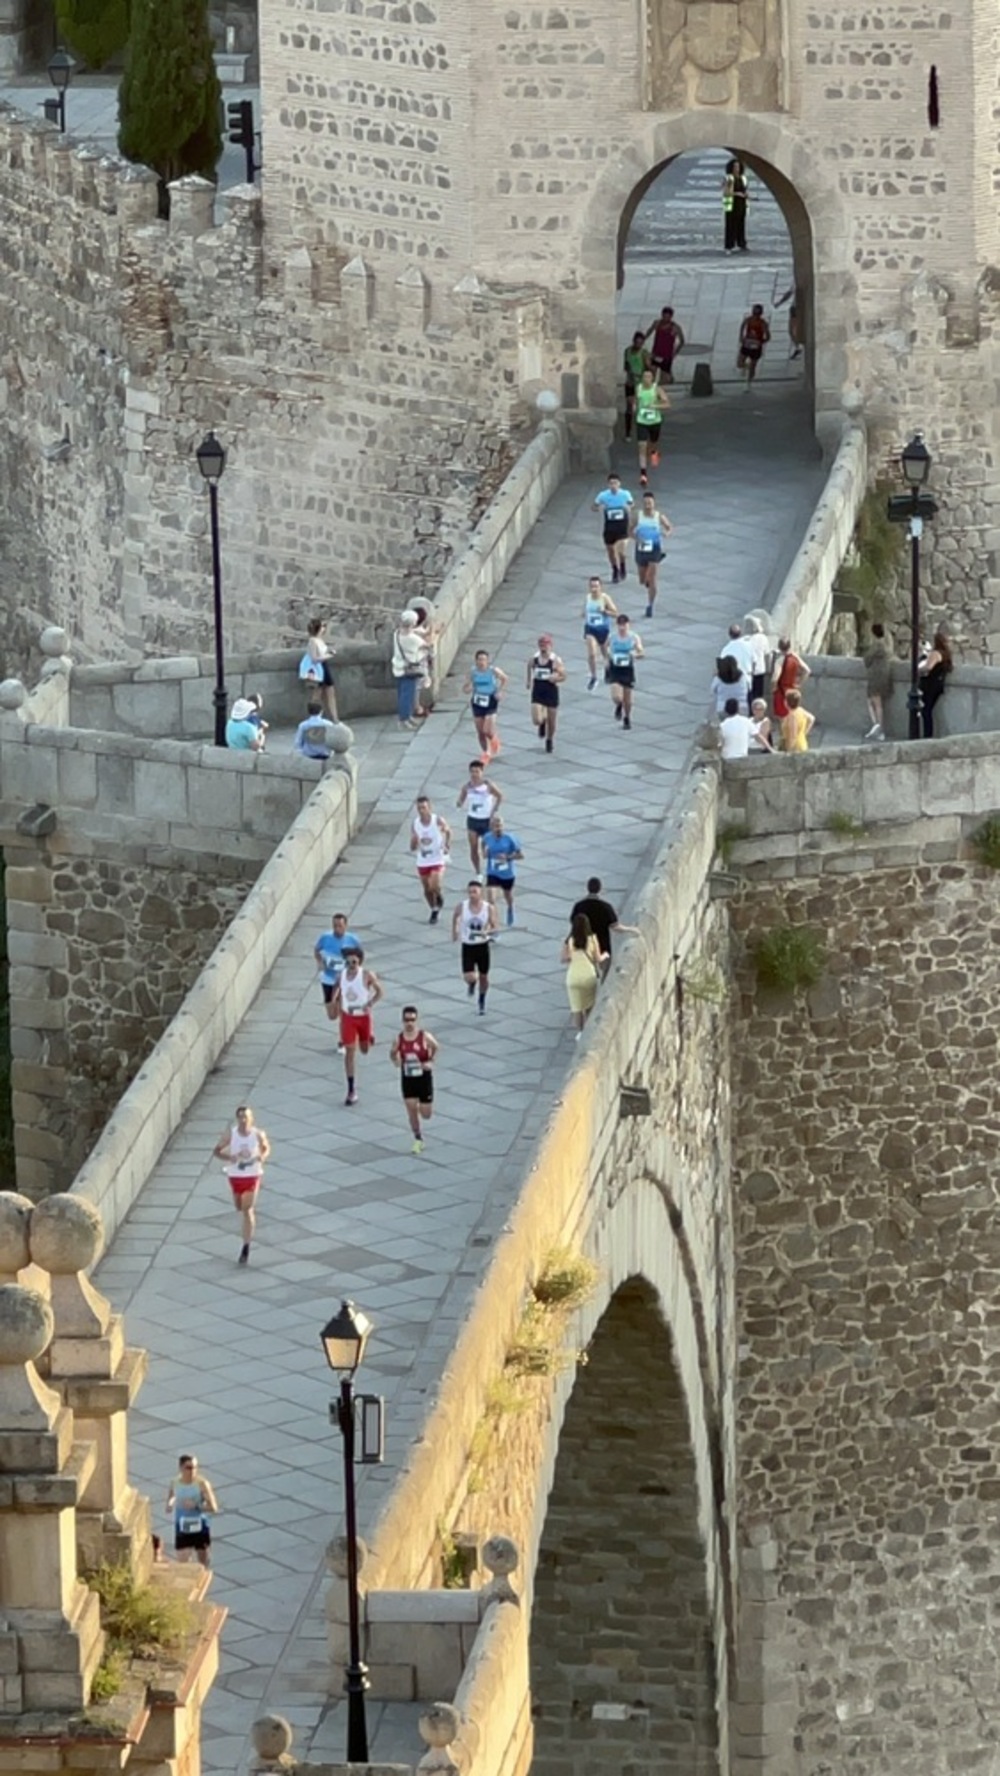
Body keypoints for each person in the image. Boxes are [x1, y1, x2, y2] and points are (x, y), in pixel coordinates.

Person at [213, 1104, 271, 1265]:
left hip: (252, 1175)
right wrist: (228, 1158)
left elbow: (266, 1148)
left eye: (246, 1117)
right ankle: (246, 1234)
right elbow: (216, 1151)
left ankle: (246, 1246)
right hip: (235, 1175)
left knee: (247, 1209)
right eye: (240, 1117)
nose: (243, 1120)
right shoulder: (230, 1135)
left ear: (251, 1119)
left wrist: (262, 1157)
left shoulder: (257, 1134)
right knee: (239, 1206)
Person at [331, 948, 383, 1105]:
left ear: (359, 961)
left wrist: (371, 1003)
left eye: (354, 962)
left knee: (364, 1049)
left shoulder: (367, 975)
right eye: (348, 962)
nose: (351, 965)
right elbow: (335, 991)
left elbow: (380, 992)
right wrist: (335, 1003)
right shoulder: (341, 976)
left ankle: (368, 1037)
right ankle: (351, 1089)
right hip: (348, 1018)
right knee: (350, 1053)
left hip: (363, 1017)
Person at [390, 1007, 439, 1154]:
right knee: (411, 1110)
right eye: (406, 1020)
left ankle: (420, 1108)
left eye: (412, 1020)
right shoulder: (399, 1039)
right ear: (402, 1021)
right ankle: (418, 1139)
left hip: (423, 1078)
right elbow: (393, 1053)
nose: (409, 1023)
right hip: (408, 1078)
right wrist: (396, 1061)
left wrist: (431, 1061)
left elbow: (436, 1047)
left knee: (426, 1114)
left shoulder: (425, 1036)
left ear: (416, 1020)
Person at [570, 877, 638, 976]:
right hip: (602, 943)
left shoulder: (579, 906)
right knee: (606, 968)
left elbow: (574, 922)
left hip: (583, 942)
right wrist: (631, 929)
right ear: (600, 889)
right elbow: (616, 927)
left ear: (587, 888)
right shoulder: (606, 907)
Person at [452, 877, 498, 1014]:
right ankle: (472, 983)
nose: (472, 895)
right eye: (470, 892)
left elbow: (495, 927)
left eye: (475, 892)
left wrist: (486, 932)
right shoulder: (462, 906)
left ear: (481, 893)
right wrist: (455, 931)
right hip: (468, 945)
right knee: (469, 976)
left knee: (484, 977)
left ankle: (482, 999)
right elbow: (455, 916)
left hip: (482, 946)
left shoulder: (488, 908)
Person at [166, 1455, 218, 1568]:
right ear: (181, 1468)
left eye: (195, 1467)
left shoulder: (202, 1484)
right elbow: (172, 1496)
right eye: (188, 1468)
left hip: (199, 1526)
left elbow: (214, 1507)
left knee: (202, 1563)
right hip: (182, 1525)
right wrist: (170, 1505)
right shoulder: (175, 1482)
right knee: (183, 1563)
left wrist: (197, 1506)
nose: (192, 1471)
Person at [561, 913, 605, 1037]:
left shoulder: (569, 941)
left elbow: (564, 958)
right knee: (589, 1006)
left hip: (573, 977)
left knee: (577, 1007)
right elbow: (598, 958)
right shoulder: (592, 939)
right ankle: (588, 1031)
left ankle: (580, 1032)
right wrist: (605, 955)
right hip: (588, 976)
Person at [630, 491, 673, 619]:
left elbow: (669, 527)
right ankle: (647, 580)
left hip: (654, 549)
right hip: (641, 549)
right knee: (643, 580)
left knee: (653, 579)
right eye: (646, 503)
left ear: (654, 503)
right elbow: (630, 530)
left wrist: (666, 533)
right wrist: (636, 538)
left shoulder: (659, 516)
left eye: (650, 502)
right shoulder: (638, 516)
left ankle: (650, 605)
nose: (648, 505)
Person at [314, 911, 362, 1022]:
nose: (337, 929)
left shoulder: (352, 940)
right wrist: (320, 963)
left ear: (345, 926)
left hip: (344, 978)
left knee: (343, 1009)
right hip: (328, 978)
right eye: (335, 926)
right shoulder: (325, 938)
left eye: (340, 926)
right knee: (332, 1015)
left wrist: (355, 969)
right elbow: (316, 950)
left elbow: (360, 955)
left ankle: (345, 1030)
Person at [410, 795, 451, 923]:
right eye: (419, 808)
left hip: (437, 857)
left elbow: (448, 831)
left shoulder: (437, 820)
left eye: (424, 807)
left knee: (434, 885)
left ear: (429, 808)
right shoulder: (415, 824)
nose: (422, 810)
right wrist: (414, 841)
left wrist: (447, 844)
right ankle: (434, 909)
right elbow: (412, 847)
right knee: (427, 889)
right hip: (423, 860)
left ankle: (439, 896)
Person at [456, 759, 503, 871]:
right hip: (473, 820)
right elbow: (461, 799)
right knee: (473, 847)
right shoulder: (467, 787)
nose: (474, 774)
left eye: (477, 771)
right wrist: (459, 804)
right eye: (472, 771)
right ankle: (478, 871)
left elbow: (500, 796)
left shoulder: (488, 785)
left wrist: (494, 809)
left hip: (486, 820)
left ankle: (492, 867)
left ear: (482, 772)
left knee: (488, 846)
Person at [463, 649, 508, 762]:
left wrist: (500, 691)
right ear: (476, 661)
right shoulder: (472, 672)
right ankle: (486, 753)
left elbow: (505, 678)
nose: (481, 662)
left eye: (484, 660)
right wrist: (468, 688)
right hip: (478, 702)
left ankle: (494, 740)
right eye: (479, 659)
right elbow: (465, 687)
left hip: (491, 700)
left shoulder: (493, 671)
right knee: (480, 731)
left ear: (488, 661)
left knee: (487, 729)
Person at [481, 812, 523, 927]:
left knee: (507, 894)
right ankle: (493, 923)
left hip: (507, 873)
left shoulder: (510, 838)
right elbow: (483, 844)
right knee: (491, 899)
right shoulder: (487, 837)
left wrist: (508, 857)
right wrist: (484, 852)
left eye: (500, 826)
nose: (498, 829)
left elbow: (520, 855)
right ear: (491, 827)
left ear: (503, 826)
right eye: (495, 826)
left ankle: (510, 907)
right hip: (492, 872)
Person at [592, 473, 634, 584]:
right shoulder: (603, 495)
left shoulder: (625, 494)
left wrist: (628, 507)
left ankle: (622, 565)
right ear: (608, 485)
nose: (613, 486)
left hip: (622, 527)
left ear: (619, 484)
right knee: (611, 551)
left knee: (620, 550)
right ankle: (615, 569)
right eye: (611, 483)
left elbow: (631, 504)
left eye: (615, 483)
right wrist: (599, 507)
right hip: (610, 527)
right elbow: (594, 506)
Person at [527, 634, 566, 753]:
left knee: (552, 719)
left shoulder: (555, 660)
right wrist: (528, 680)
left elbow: (564, 676)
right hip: (538, 689)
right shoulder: (534, 659)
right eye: (541, 646)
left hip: (551, 690)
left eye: (546, 645)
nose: (544, 648)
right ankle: (542, 723)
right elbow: (529, 667)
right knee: (536, 719)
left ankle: (549, 740)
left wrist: (556, 678)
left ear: (550, 646)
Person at [392, 610, 430, 730]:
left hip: (398, 667)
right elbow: (427, 646)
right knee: (407, 696)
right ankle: (404, 720)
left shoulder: (397, 633)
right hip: (410, 669)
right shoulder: (412, 639)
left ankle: (407, 717)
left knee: (402, 694)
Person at [633, 367, 670, 487]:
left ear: (652, 378)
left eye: (649, 377)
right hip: (641, 421)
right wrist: (635, 407)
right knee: (642, 446)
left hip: (654, 421)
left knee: (653, 443)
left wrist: (655, 405)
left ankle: (654, 453)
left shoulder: (657, 389)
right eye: (644, 377)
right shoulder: (638, 388)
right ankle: (643, 474)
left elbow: (667, 404)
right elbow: (636, 401)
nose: (646, 379)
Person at [607, 613, 644, 730]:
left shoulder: (633, 637)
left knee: (628, 698)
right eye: (620, 625)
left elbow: (641, 652)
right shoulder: (612, 637)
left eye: (624, 625)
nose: (622, 628)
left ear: (628, 625)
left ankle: (627, 718)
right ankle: (619, 704)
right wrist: (608, 656)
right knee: (616, 695)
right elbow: (606, 648)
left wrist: (635, 654)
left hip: (627, 669)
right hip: (615, 668)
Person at [582, 576, 618, 690]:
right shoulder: (588, 598)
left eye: (596, 586)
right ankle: (594, 677)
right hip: (590, 629)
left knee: (605, 653)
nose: (594, 589)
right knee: (592, 654)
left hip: (603, 629)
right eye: (592, 586)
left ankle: (608, 669)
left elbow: (615, 613)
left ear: (601, 587)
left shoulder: (605, 598)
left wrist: (604, 611)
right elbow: (585, 610)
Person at [301, 617, 338, 721]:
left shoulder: (319, 640)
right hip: (318, 668)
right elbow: (314, 658)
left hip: (324, 667)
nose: (324, 629)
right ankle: (313, 718)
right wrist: (329, 655)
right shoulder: (312, 641)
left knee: (330, 693)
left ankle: (334, 718)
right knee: (317, 695)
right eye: (323, 626)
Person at [918, 629, 953, 737]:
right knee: (928, 709)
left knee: (926, 711)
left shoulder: (935, 653)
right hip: (938, 685)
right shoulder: (946, 654)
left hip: (930, 685)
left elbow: (929, 667)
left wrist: (920, 668)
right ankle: (928, 735)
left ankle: (927, 735)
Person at [863, 621, 894, 739]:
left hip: (876, 676)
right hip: (886, 675)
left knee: (874, 702)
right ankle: (877, 728)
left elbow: (867, 660)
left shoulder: (877, 645)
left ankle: (878, 728)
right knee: (878, 703)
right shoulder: (887, 645)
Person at [772, 637, 810, 719]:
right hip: (792, 689)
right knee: (792, 714)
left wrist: (774, 687)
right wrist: (799, 683)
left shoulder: (780, 660)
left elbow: (776, 677)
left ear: (779, 647)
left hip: (782, 690)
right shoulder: (795, 658)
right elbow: (807, 670)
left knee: (782, 716)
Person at [645, 306, 686, 384]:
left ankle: (670, 380)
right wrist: (643, 339)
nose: (665, 319)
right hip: (656, 352)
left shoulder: (675, 327)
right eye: (664, 316)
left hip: (667, 355)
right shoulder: (657, 323)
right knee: (651, 369)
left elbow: (682, 341)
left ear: (671, 317)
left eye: (668, 317)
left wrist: (675, 352)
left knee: (665, 374)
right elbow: (649, 331)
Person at [622, 331, 650, 440]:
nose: (639, 345)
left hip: (640, 384)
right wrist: (629, 371)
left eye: (641, 343)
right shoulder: (627, 351)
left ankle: (644, 430)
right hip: (630, 383)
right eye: (637, 342)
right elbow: (625, 365)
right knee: (629, 408)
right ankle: (628, 432)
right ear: (634, 341)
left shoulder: (644, 354)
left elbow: (647, 368)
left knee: (642, 408)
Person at [738, 305, 771, 385]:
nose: (755, 316)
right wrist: (742, 337)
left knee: (753, 365)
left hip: (756, 347)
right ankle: (747, 368)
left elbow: (768, 336)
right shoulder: (749, 320)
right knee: (740, 363)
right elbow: (742, 326)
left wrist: (761, 342)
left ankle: (749, 382)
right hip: (747, 344)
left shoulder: (762, 323)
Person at [744, 616, 771, 706]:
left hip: (749, 670)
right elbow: (767, 653)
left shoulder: (746, 640)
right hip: (760, 669)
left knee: (750, 694)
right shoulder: (763, 638)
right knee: (759, 695)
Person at [723, 158, 749, 253]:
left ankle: (741, 243)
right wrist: (737, 194)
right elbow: (726, 192)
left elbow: (745, 189)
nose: (736, 169)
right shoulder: (728, 178)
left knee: (741, 224)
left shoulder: (743, 178)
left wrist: (746, 195)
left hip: (741, 204)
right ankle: (729, 245)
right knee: (730, 225)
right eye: (734, 167)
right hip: (731, 205)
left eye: (738, 167)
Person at [781, 687, 815, 753]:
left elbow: (793, 736)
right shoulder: (800, 710)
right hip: (802, 743)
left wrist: (788, 751)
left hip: (795, 748)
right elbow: (812, 718)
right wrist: (804, 732)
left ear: (787, 702)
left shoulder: (792, 716)